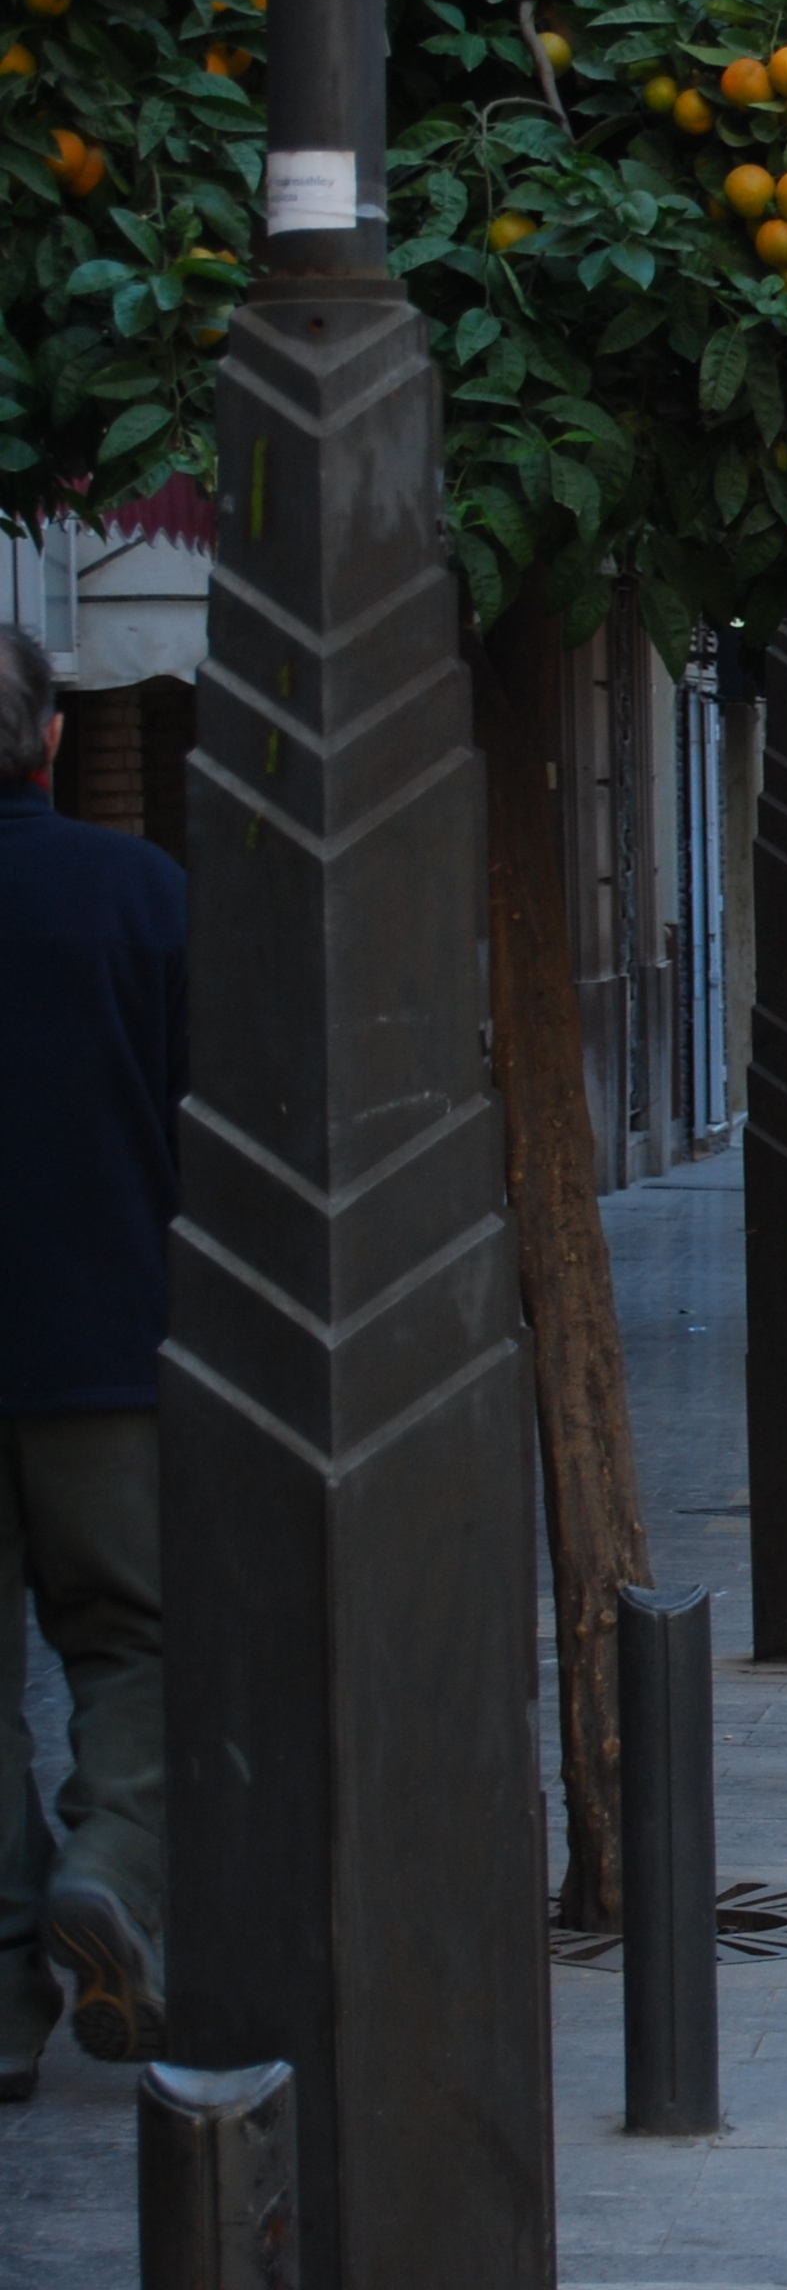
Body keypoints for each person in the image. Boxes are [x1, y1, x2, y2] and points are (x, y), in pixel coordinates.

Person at [0, 629, 181, 2097]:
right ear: (49, 738)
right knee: (135, 1642)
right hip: (109, 1350)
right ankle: (112, 1861)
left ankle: (1, 2011)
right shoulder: (140, 895)